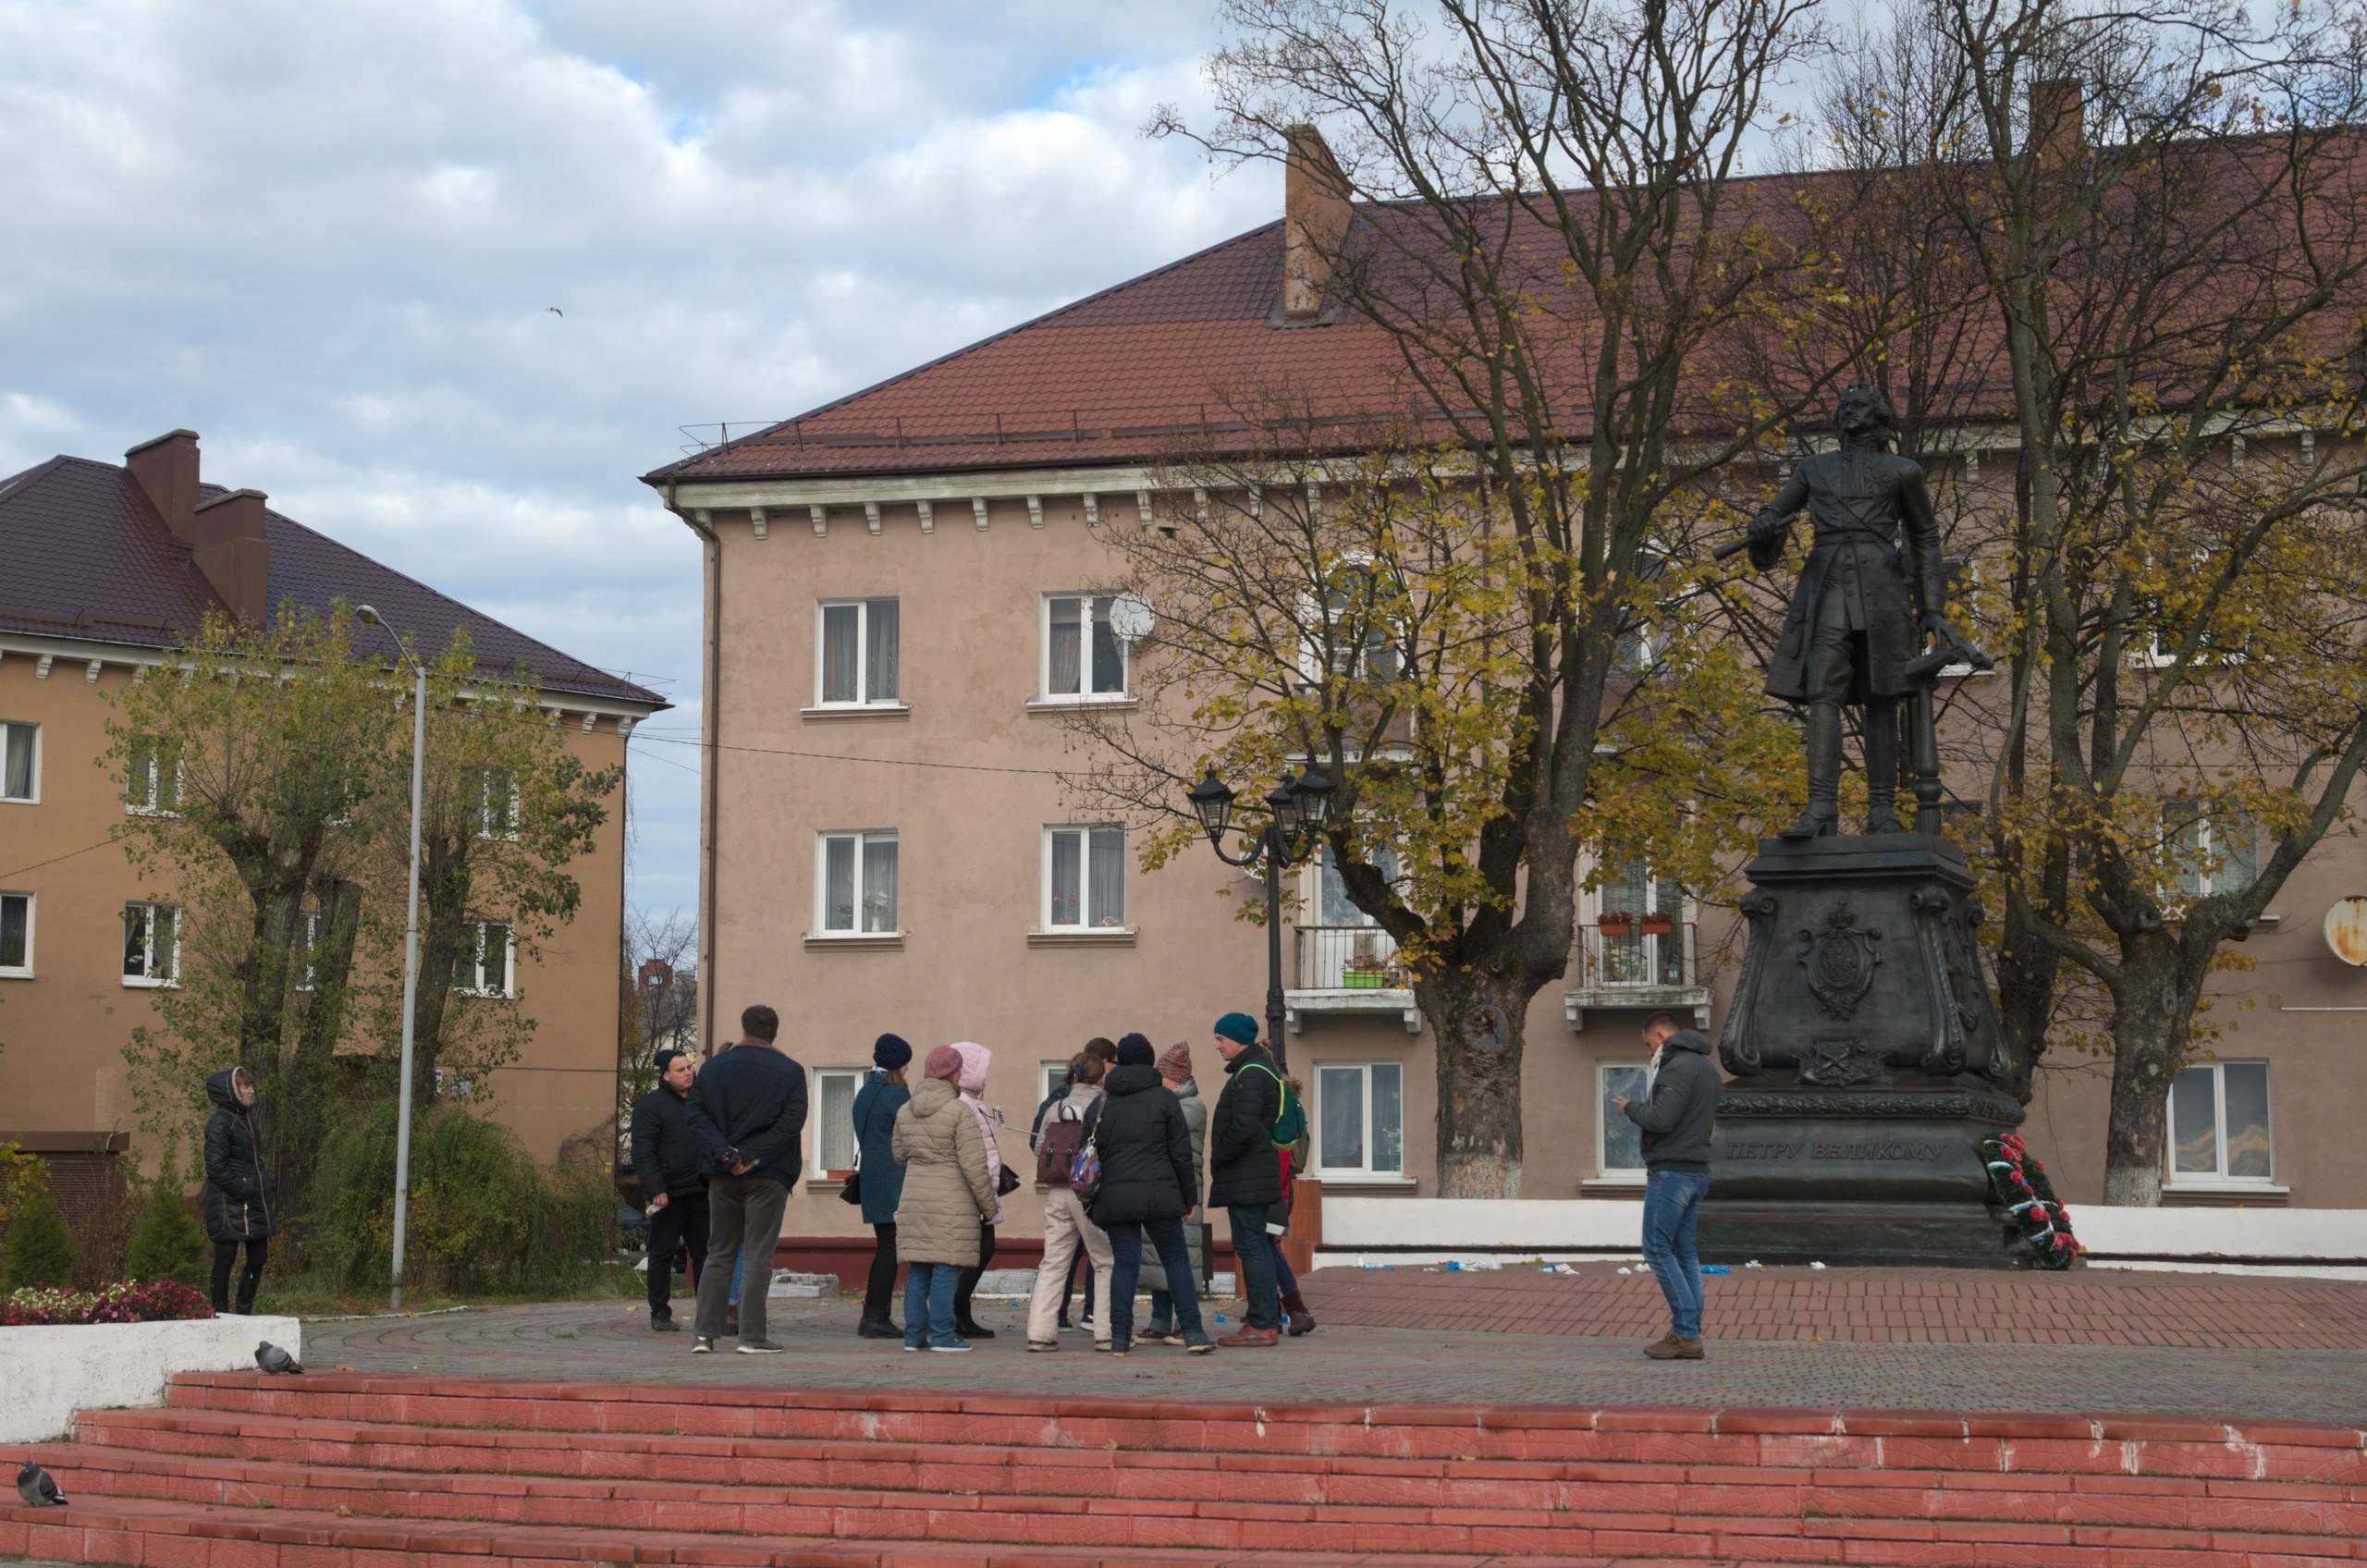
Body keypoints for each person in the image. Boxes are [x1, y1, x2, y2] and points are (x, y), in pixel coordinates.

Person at [685, 1004, 807, 1355]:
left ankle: (704, 1336)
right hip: (769, 1173)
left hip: (721, 1173)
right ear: (775, 1033)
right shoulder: (791, 1071)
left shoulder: (712, 1068)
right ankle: (752, 1338)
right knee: (757, 1255)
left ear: (743, 1030)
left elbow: (695, 1114)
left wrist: (725, 1154)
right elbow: (791, 1122)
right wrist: (754, 1155)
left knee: (719, 1252)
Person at [1085, 1035, 1217, 1355]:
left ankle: (1119, 1338)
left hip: (1115, 1198)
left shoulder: (1101, 1102)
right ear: (1149, 1061)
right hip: (1160, 1194)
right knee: (1175, 1259)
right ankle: (1193, 1333)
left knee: (1125, 1263)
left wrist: (1091, 1201)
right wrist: (1189, 1198)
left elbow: (1087, 1152)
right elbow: (1180, 1154)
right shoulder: (1166, 1099)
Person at [1613, 1011, 1720, 1361]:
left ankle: (1686, 1332)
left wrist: (1630, 1108)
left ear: (1660, 1036)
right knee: (1684, 1253)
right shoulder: (1706, 1068)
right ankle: (1690, 1332)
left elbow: (1662, 1119)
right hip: (1696, 1170)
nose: (1648, 1053)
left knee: (1657, 1250)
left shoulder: (1677, 1068)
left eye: (1648, 1045)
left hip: (1672, 1172)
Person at [892, 1045, 996, 1352]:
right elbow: (974, 1166)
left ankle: (914, 1337)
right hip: (952, 1202)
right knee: (946, 1268)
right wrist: (988, 1206)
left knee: (919, 1269)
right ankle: (942, 1335)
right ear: (953, 1075)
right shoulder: (959, 1111)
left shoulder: (905, 1110)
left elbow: (899, 1155)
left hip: (914, 1199)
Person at [1206, 1011, 1286, 1347]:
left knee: (1252, 1247)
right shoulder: (1255, 1068)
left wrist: (1220, 1156)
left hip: (1247, 1174)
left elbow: (1244, 1127)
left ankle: (1262, 1324)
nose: (1217, 1045)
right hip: (1252, 1173)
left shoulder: (1250, 1073)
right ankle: (1264, 1319)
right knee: (1257, 1246)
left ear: (1238, 1038)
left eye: (1221, 1038)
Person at [1024, 1052, 1113, 1352]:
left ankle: (1040, 1333)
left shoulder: (1056, 1106)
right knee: (1105, 1262)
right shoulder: (1104, 1104)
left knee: (1053, 1263)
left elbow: (1040, 1147)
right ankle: (1106, 1332)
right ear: (1100, 1076)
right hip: (1091, 1194)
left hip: (1058, 1192)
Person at [630, 1047, 707, 1331]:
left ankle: (709, 1313)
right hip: (668, 1195)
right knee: (662, 1254)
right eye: (681, 1069)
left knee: (706, 1254)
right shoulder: (650, 1106)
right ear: (665, 1076)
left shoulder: (701, 1101)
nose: (688, 1073)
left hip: (700, 1190)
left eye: (689, 1067)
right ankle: (660, 1313)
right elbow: (643, 1151)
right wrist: (655, 1188)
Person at [1133, 1041, 1206, 1344]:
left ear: (1174, 1078)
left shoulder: (1192, 1106)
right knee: (1158, 1259)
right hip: (1163, 1186)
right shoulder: (1168, 1102)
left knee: (1182, 1257)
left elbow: (1162, 1130)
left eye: (1160, 1077)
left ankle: (1184, 1323)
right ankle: (1159, 1321)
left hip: (1184, 1189)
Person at [851, 1034, 914, 1340]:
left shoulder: (865, 1092)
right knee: (890, 1249)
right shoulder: (897, 1094)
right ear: (898, 1065)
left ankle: (872, 1317)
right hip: (894, 1181)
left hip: (872, 1179)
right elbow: (911, 1137)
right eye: (906, 1064)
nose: (907, 1069)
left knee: (885, 1246)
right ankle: (875, 1316)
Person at [200, 1066, 272, 1315]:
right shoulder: (219, 1122)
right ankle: (220, 1314)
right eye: (246, 1086)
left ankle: (244, 1312)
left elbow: (252, 1159)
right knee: (225, 1257)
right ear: (232, 1090)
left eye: (251, 1086)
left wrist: (265, 1182)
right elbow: (216, 1167)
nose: (252, 1091)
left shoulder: (248, 1118)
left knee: (259, 1255)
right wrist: (243, 1189)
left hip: (252, 1199)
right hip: (227, 1200)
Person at [948, 1042, 1005, 1339]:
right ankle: (955, 1312)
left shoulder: (972, 1102)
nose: (987, 1075)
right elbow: (972, 1154)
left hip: (983, 1186)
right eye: (983, 1069)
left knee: (981, 1249)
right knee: (978, 1250)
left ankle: (961, 1313)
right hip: (974, 1190)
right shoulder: (964, 1104)